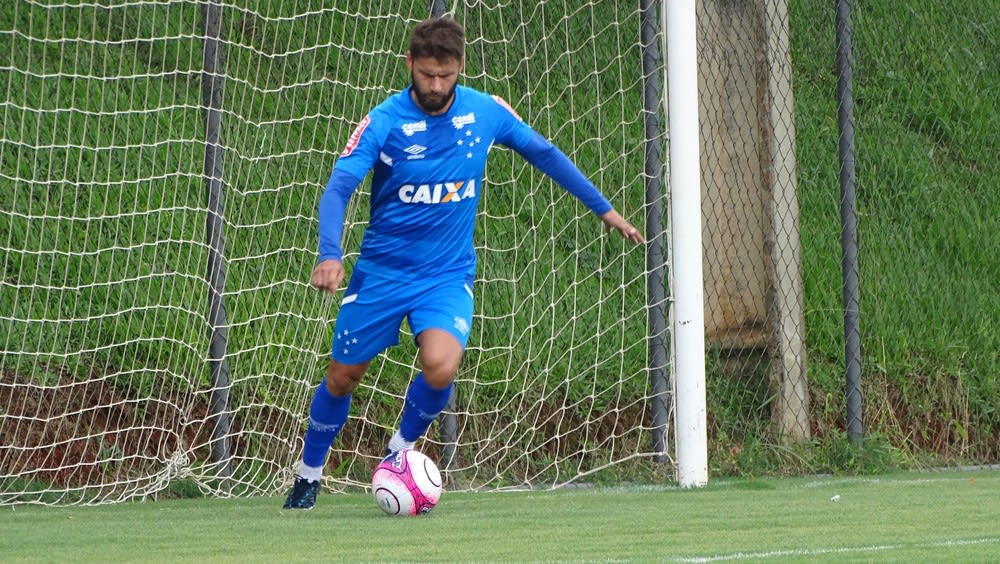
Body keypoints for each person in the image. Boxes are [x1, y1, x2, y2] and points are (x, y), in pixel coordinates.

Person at [283, 16, 645, 510]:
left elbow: (543, 152)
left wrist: (604, 210)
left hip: (446, 275)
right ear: (410, 64)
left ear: (460, 68)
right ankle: (309, 473)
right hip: (382, 273)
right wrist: (330, 253)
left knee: (441, 365)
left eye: (446, 76)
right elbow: (339, 187)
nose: (435, 86)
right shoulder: (384, 121)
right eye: (427, 74)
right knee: (343, 377)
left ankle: (398, 454)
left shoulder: (485, 112)